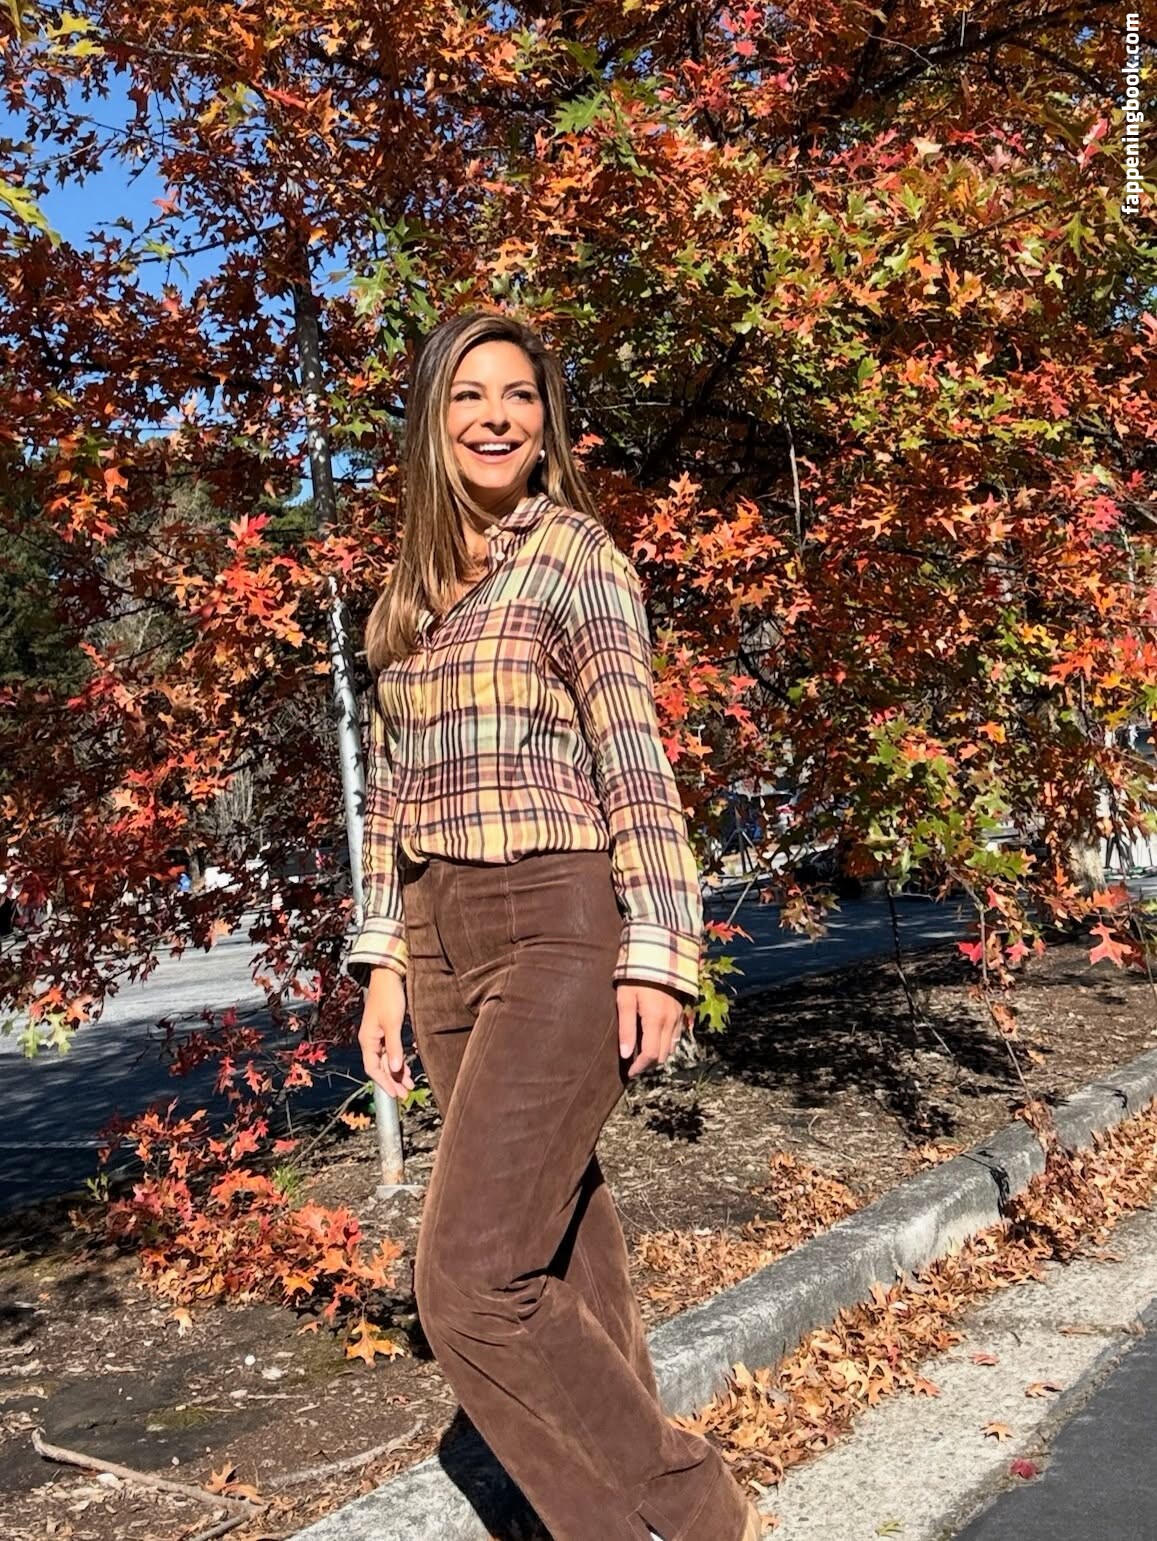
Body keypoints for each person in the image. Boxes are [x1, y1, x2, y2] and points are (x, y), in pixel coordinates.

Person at [346, 311, 762, 1541]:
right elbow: (387, 796)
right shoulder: (404, 597)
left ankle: (687, 1511)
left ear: (546, 422)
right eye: (468, 395)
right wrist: (381, 959)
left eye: (518, 396)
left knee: (468, 1278)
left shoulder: (574, 555)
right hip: (437, 937)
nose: (494, 417)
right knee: (561, 1238)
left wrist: (660, 949)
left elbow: (633, 758)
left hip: (556, 915)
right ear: (431, 420)